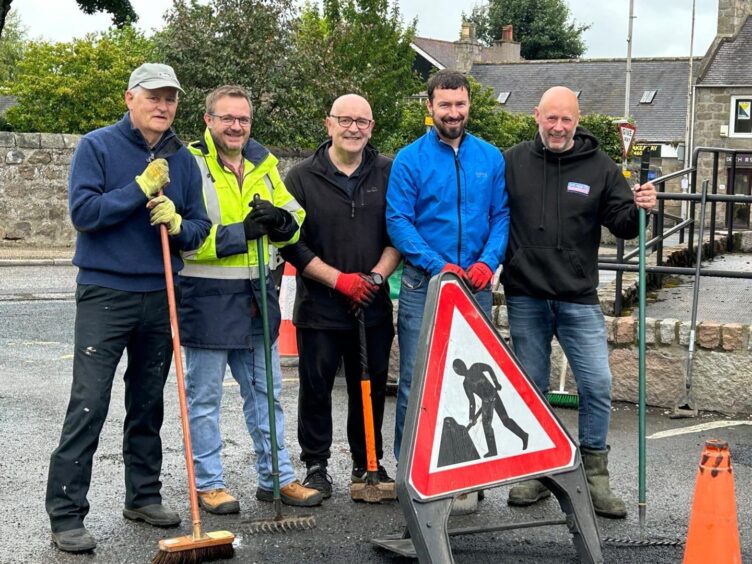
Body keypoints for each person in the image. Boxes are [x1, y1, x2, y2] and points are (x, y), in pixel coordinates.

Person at [45, 63, 211, 553]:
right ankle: (67, 514)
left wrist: (179, 223)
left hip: (161, 292)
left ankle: (143, 495)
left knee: (147, 402)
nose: (163, 106)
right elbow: (85, 214)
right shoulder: (97, 146)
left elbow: (199, 227)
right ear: (129, 99)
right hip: (106, 292)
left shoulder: (182, 160)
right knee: (89, 403)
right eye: (154, 97)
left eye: (171, 98)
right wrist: (138, 190)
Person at [502, 86, 656, 518]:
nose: (558, 127)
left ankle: (594, 476)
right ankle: (537, 471)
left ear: (577, 118)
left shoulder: (599, 166)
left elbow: (624, 224)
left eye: (566, 119)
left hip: (577, 297)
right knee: (531, 388)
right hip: (526, 293)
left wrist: (643, 208)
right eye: (551, 118)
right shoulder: (512, 161)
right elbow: (491, 215)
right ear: (537, 116)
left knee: (598, 384)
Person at [179, 85, 322, 513]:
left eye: (242, 119)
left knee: (266, 395)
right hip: (205, 299)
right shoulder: (190, 165)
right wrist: (241, 233)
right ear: (208, 120)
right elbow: (183, 236)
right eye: (227, 118)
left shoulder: (265, 164)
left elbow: (295, 218)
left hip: (257, 297)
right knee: (204, 400)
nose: (235, 125)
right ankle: (209, 484)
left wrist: (280, 222)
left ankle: (277, 478)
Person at [280, 94, 400, 499]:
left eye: (362, 122)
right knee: (315, 387)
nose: (354, 128)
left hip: (373, 303)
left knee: (370, 384)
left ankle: (368, 462)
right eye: (345, 120)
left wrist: (375, 278)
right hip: (320, 307)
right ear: (328, 124)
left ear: (372, 127)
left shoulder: (389, 172)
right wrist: (338, 280)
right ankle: (316, 465)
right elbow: (291, 244)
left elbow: (398, 233)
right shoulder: (300, 177)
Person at [386, 69, 510, 461]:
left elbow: (501, 215)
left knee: (471, 382)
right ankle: (411, 466)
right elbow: (398, 221)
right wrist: (438, 264)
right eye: (445, 105)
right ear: (430, 107)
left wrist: (488, 263)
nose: (452, 112)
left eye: (459, 104)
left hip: (475, 287)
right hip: (424, 286)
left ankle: (461, 467)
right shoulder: (409, 160)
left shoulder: (490, 158)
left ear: (469, 105)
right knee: (416, 380)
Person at [453, 359, 528, 456]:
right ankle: (493, 451)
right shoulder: (466, 383)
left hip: (494, 394)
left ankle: (523, 436)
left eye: (459, 368)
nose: (460, 371)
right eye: (458, 370)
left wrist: (496, 383)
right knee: (489, 424)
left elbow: (489, 368)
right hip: (486, 402)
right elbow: (472, 402)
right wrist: (471, 417)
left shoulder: (475, 367)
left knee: (504, 421)